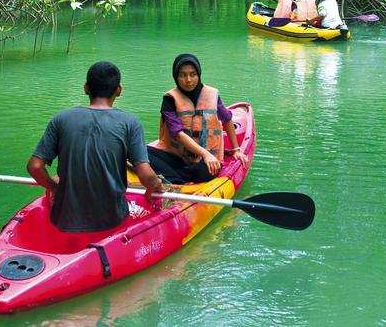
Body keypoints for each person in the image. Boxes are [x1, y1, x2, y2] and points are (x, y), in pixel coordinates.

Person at [27, 61, 165, 233]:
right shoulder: (130, 123)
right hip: (112, 219)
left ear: (86, 88)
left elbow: (34, 167)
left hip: (63, 219)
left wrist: (55, 188)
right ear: (119, 90)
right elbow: (145, 174)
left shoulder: (61, 119)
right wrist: (156, 185)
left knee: (56, 177)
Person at [148, 53, 248, 184]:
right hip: (176, 156)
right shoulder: (169, 99)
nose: (188, 80)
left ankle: (171, 176)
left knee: (205, 171)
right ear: (176, 77)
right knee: (138, 151)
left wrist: (236, 150)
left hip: (205, 161)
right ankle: (178, 179)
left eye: (193, 74)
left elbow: (227, 118)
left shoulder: (212, 94)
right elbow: (177, 134)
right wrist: (204, 154)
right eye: (182, 75)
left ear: (199, 74)